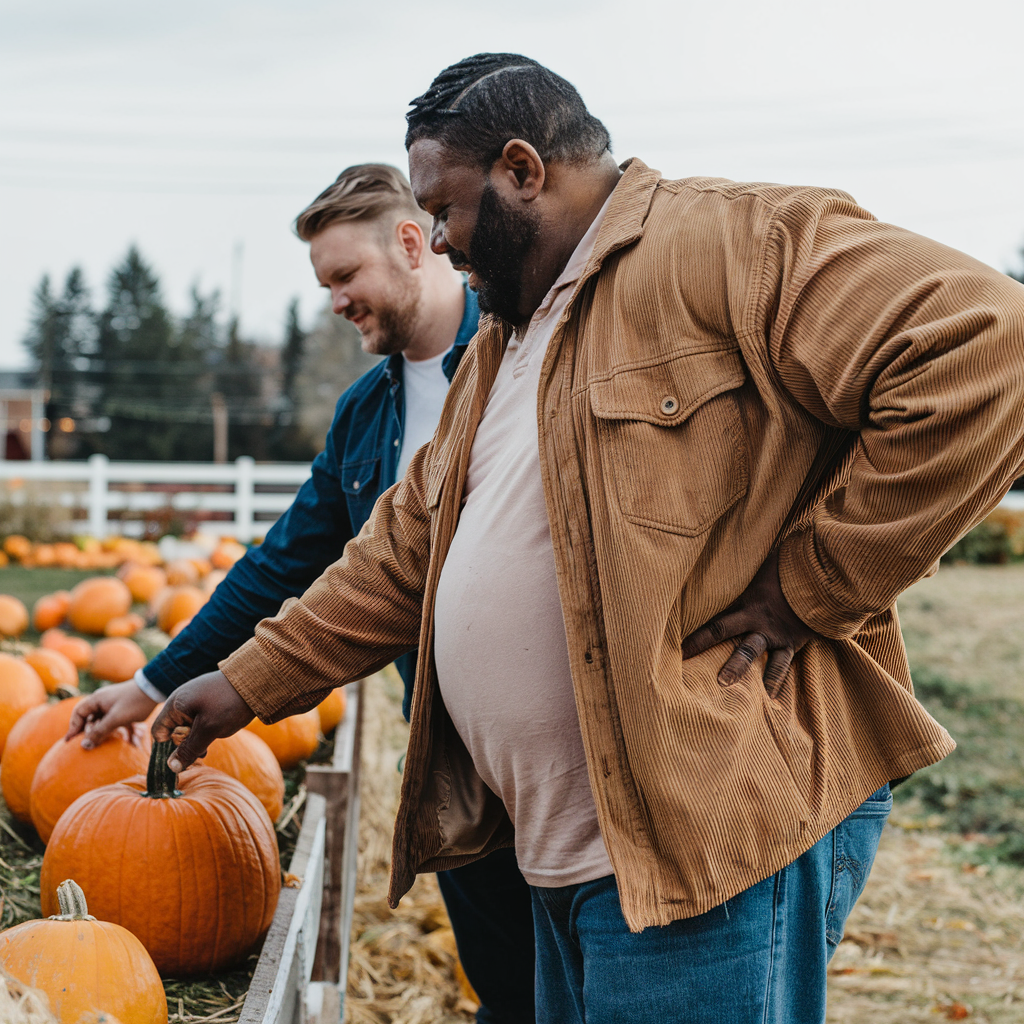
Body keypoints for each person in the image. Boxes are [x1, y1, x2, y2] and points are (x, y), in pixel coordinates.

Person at [146, 55, 1024, 1024]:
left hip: (700, 843)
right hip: (560, 849)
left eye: (445, 209)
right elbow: (402, 551)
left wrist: (809, 584)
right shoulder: (502, 343)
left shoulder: (728, 242)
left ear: (522, 170)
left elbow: (987, 347)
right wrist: (247, 682)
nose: (438, 239)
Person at [66, 162, 537, 1024]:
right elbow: (279, 568)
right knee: (508, 984)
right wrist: (147, 688)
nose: (335, 302)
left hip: (558, 744)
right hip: (455, 757)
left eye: (345, 276)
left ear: (409, 243)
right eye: (324, 285)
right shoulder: (366, 415)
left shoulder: (524, 354)